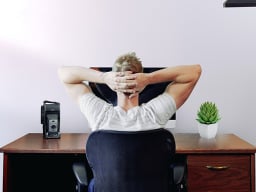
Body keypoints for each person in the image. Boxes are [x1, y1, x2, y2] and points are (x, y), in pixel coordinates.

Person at [58, 52, 202, 131]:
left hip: (106, 186)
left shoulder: (99, 115)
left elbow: (64, 74)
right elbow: (194, 72)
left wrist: (104, 77)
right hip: (150, 186)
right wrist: (149, 78)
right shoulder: (155, 115)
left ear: (114, 84)